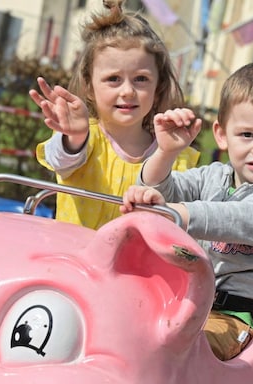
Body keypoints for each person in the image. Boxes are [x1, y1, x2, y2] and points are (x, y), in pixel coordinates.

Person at [121, 61, 253, 361]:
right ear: (221, 134)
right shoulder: (214, 176)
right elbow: (166, 190)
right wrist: (165, 154)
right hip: (188, 301)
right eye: (247, 135)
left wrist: (178, 213)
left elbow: (243, 219)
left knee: (179, 350)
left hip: (242, 319)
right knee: (123, 318)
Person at [28, 0, 199, 230]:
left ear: (157, 88)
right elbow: (60, 160)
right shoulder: (84, 141)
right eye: (113, 79)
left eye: (141, 79)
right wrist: (75, 137)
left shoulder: (176, 154)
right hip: (77, 260)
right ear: (89, 86)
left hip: (142, 266)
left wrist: (168, 153)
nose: (127, 91)